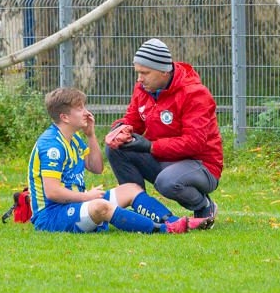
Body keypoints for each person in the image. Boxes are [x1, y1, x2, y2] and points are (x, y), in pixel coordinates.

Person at [28, 87, 213, 234]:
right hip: (52, 216)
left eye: (84, 106)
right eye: (80, 108)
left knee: (131, 189)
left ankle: (174, 221)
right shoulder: (52, 146)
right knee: (100, 206)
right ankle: (166, 229)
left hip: (75, 204)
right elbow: (52, 192)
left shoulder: (73, 138)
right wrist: (87, 197)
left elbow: (97, 167)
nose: (86, 112)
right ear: (64, 117)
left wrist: (91, 135)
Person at [105, 39, 222, 224]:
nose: (139, 79)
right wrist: (120, 128)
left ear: (164, 71)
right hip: (164, 159)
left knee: (167, 182)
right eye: (138, 72)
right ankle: (143, 208)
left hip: (201, 165)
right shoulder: (143, 88)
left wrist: (151, 146)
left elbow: (194, 143)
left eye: (145, 73)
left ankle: (203, 205)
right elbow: (134, 119)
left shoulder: (195, 94)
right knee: (116, 148)